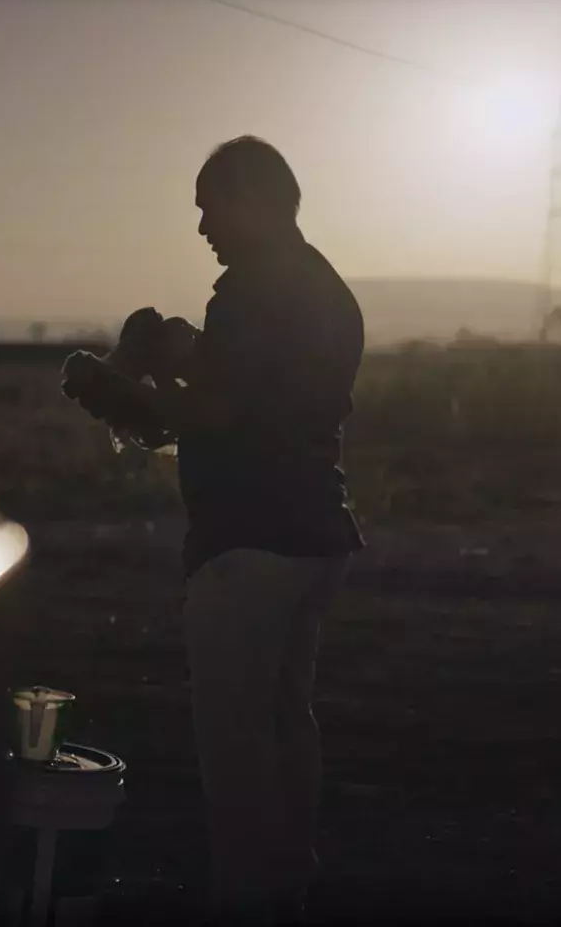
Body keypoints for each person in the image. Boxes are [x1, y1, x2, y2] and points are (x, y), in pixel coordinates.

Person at [61, 136, 365, 923]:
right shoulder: (323, 288)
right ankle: (288, 883)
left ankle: (244, 901)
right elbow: (253, 389)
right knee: (285, 721)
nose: (202, 226)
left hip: (247, 546)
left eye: (210, 206)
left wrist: (120, 393)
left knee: (235, 747)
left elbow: (218, 412)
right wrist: (171, 354)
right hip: (314, 536)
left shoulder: (252, 290)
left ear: (254, 200)